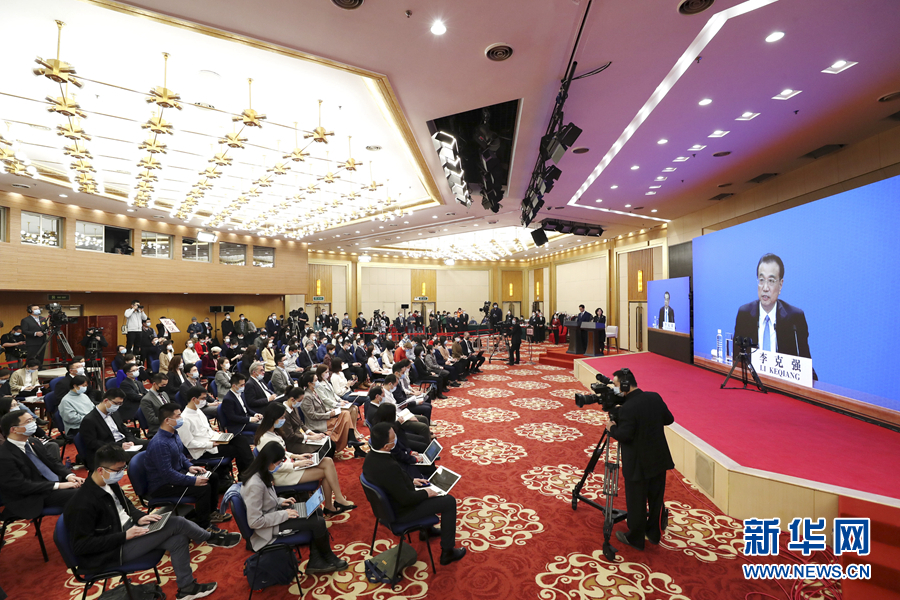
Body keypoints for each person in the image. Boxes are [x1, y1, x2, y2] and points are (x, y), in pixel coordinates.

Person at [65, 444, 235, 600]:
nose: (121, 473)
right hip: (112, 551)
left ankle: (187, 588)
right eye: (118, 470)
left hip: (128, 531)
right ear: (101, 470)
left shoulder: (108, 482)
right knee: (177, 523)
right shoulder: (82, 503)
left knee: (177, 539)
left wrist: (139, 516)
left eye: (123, 468)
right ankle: (209, 537)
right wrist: (125, 536)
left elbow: (127, 505)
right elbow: (81, 546)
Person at [363, 422, 466, 565]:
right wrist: (426, 493)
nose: (396, 439)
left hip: (390, 504)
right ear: (386, 446)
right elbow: (407, 499)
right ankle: (447, 552)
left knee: (427, 484)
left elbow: (392, 482)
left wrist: (412, 481)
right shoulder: (388, 466)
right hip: (401, 512)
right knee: (449, 501)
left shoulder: (371, 457)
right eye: (394, 438)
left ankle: (427, 531)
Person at [240, 441, 349, 574]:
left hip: (274, 513)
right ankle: (327, 556)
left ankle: (316, 560)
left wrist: (280, 501)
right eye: (278, 463)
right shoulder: (254, 484)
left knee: (317, 511)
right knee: (318, 522)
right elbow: (255, 522)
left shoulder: (261, 473)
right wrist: (284, 514)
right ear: (269, 462)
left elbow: (265, 500)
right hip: (268, 528)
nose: (279, 466)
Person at [606, 368, 675, 551]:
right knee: (656, 499)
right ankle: (653, 533)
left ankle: (635, 538)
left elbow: (625, 435)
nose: (615, 389)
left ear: (625, 385)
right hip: (659, 460)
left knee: (636, 502)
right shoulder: (654, 397)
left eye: (616, 385)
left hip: (638, 465)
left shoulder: (627, 408)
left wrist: (611, 427)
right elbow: (669, 419)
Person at [254, 403, 354, 514]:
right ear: (273, 418)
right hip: (282, 474)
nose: (283, 420)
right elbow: (272, 466)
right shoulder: (265, 438)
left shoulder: (273, 432)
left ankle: (337, 499)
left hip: (290, 465)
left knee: (327, 461)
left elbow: (281, 452)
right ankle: (331, 505)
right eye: (281, 417)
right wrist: (297, 464)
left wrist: (297, 456)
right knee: (327, 473)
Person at [146, 403, 230, 529]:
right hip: (163, 485)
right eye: (178, 416)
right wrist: (193, 481)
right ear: (167, 420)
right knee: (203, 488)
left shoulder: (173, 433)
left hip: (176, 475)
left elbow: (180, 454)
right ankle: (204, 524)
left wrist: (189, 466)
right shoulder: (160, 443)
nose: (181, 418)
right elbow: (167, 474)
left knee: (212, 477)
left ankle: (211, 512)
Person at [0, 409, 83, 522]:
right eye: (28, 421)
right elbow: (21, 486)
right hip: (32, 496)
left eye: (32, 420)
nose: (33, 424)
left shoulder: (33, 441)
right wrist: (58, 485)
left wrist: (69, 476)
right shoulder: (4, 456)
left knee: (93, 485)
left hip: (49, 484)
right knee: (82, 495)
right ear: (14, 429)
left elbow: (53, 462)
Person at [733, 253, 812, 359]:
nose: (765, 288)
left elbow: (806, 364)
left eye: (771, 281)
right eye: (761, 280)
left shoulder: (795, 319)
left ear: (780, 285)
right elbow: (736, 360)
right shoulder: (744, 315)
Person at [178, 386, 253, 475]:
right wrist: (211, 444)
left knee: (240, 439)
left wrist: (218, 435)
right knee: (237, 449)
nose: (205, 401)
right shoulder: (185, 419)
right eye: (203, 398)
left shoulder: (198, 411)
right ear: (194, 399)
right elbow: (189, 444)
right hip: (204, 449)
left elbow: (207, 430)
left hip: (212, 440)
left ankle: (248, 471)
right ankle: (246, 474)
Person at [79, 389, 147, 469]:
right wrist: (120, 446)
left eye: (120, 404)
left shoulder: (114, 412)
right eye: (116, 403)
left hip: (124, 442)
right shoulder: (89, 420)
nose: (118, 406)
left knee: (151, 444)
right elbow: (93, 443)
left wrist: (131, 440)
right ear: (106, 400)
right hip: (109, 450)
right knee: (140, 457)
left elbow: (123, 428)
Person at [299, 371, 359, 455]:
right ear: (310, 383)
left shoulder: (314, 392)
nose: (318, 382)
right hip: (317, 423)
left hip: (324, 417)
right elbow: (312, 415)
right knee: (345, 416)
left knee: (345, 413)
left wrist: (330, 410)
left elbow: (322, 407)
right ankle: (353, 440)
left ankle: (352, 440)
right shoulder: (306, 396)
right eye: (316, 380)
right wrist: (329, 414)